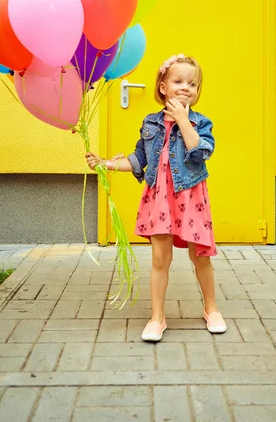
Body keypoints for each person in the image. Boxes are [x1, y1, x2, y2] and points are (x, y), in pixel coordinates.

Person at [86, 54, 226, 341]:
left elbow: (200, 152)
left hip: (190, 198)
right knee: (160, 259)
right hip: (160, 198)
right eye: (178, 81)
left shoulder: (200, 123)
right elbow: (139, 160)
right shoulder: (150, 123)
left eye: (192, 83)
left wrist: (183, 120)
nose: (186, 87)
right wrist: (107, 163)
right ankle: (157, 318)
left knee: (200, 256)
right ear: (163, 86)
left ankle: (211, 309)